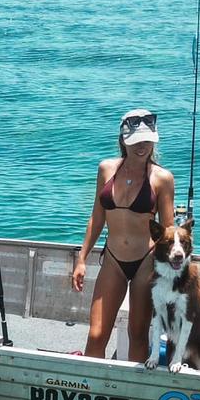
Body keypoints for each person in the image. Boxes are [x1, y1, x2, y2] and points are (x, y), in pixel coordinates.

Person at [73, 109, 176, 360]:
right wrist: (82, 259)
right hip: (113, 260)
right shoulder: (106, 169)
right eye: (135, 141)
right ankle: (89, 388)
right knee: (96, 335)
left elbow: (168, 231)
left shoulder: (163, 179)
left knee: (137, 335)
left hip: (146, 262)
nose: (142, 147)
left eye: (147, 141)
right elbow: (97, 218)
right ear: (123, 140)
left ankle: (133, 393)